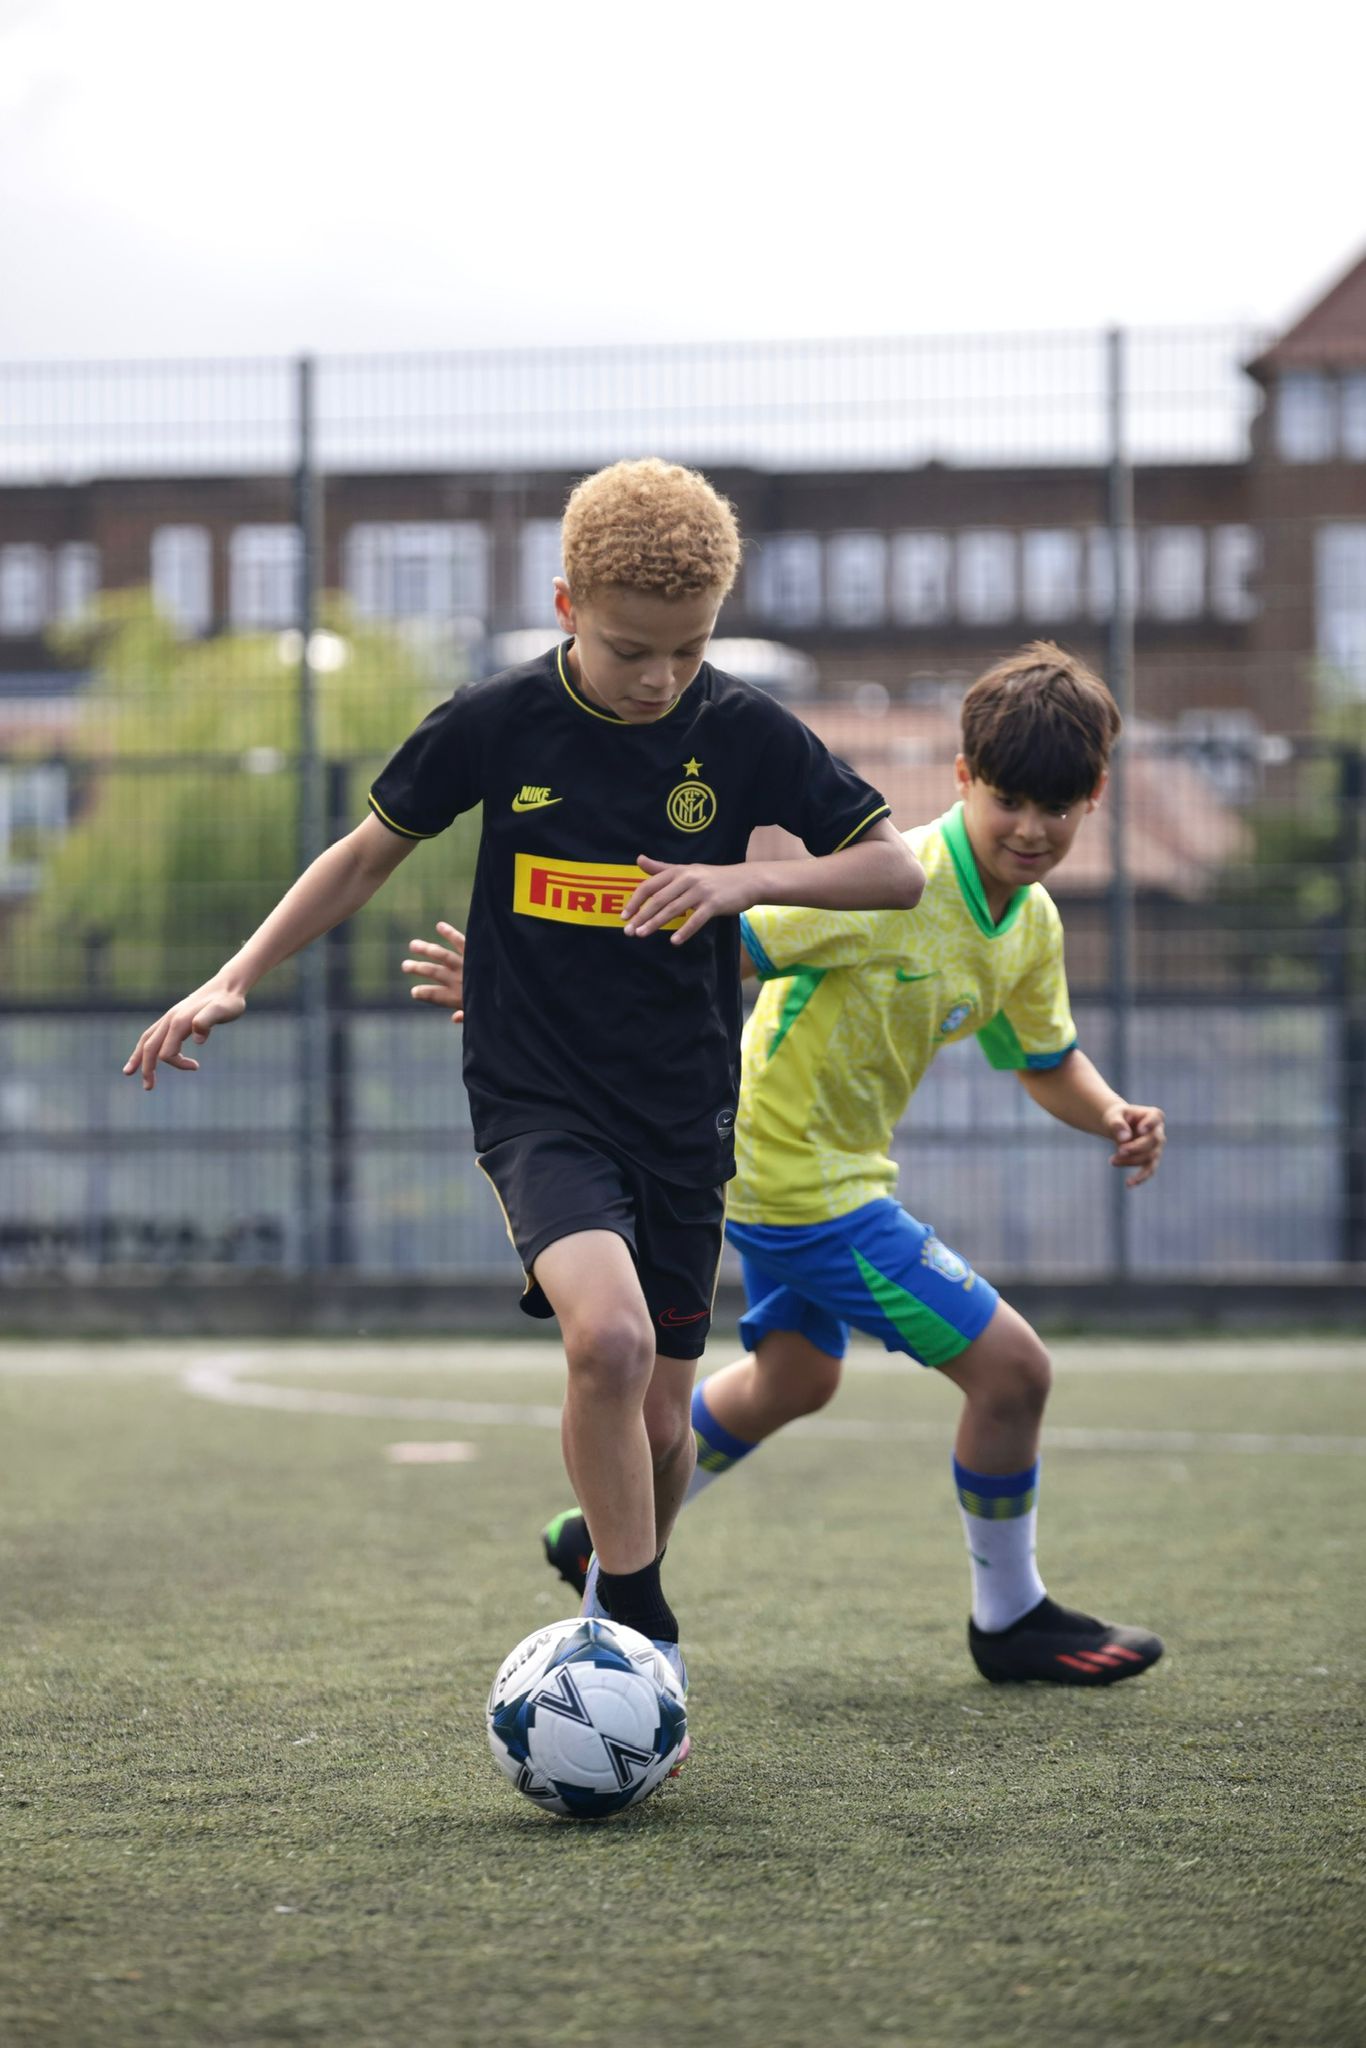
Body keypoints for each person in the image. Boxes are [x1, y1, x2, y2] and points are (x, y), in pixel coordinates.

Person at [124, 458, 924, 1696]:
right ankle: (640, 1635)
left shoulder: (745, 732)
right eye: (628, 650)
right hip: (535, 1093)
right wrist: (235, 975)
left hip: (683, 1104)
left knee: (661, 1423)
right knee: (603, 1341)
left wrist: (741, 879)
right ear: (564, 605)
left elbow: (892, 872)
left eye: (687, 649)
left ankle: (615, 1598)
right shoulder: (498, 721)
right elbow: (363, 854)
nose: (659, 678)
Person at [409, 641, 1166, 1685]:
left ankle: (600, 1533)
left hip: (834, 1171)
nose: (1031, 829)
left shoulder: (1028, 925)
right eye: (1008, 800)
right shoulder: (887, 880)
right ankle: (1011, 1614)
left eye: (1058, 806)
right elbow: (704, 934)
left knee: (796, 1376)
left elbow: (1041, 1057)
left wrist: (1111, 1109)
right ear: (961, 779)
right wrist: (508, 979)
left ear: (1095, 798)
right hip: (790, 1180)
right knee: (1013, 1370)